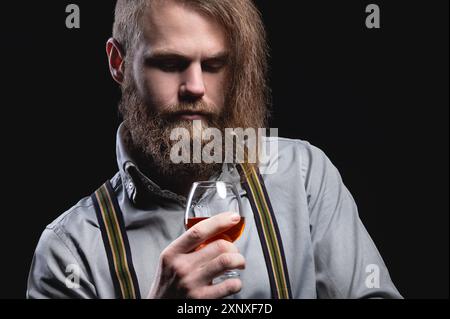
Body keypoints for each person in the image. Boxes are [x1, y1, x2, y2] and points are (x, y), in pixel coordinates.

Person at [27, 0, 402, 299]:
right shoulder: (69, 251)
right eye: (170, 64)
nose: (195, 87)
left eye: (214, 65)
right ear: (118, 63)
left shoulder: (303, 175)